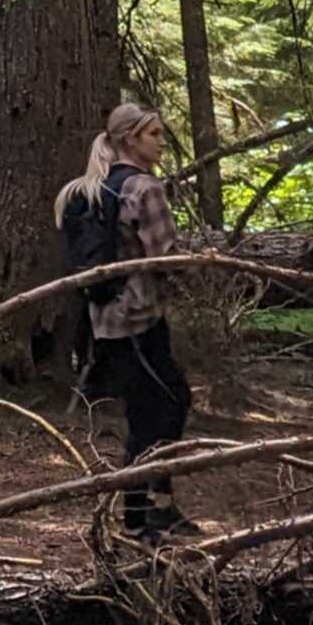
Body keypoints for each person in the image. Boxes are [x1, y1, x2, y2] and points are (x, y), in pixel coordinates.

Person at [63, 97, 194, 537]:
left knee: (152, 408)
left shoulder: (90, 187)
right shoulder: (144, 188)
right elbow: (167, 258)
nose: (162, 143)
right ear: (128, 139)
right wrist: (206, 264)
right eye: (154, 135)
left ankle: (157, 504)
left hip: (105, 320)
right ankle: (140, 517)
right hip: (139, 317)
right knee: (163, 407)